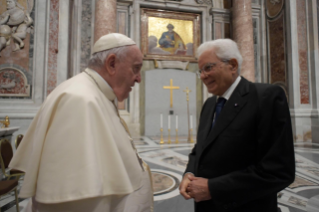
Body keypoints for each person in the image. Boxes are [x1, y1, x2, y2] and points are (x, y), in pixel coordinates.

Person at [9, 33, 153, 212]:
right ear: (112, 64)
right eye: (136, 68)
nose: (138, 78)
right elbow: (76, 199)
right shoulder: (79, 100)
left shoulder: (95, 94)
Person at [179, 39, 295, 212]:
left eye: (208, 68)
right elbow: (200, 149)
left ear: (232, 65)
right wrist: (189, 173)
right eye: (200, 71)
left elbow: (278, 171)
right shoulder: (209, 105)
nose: (203, 76)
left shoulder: (266, 97)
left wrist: (214, 188)